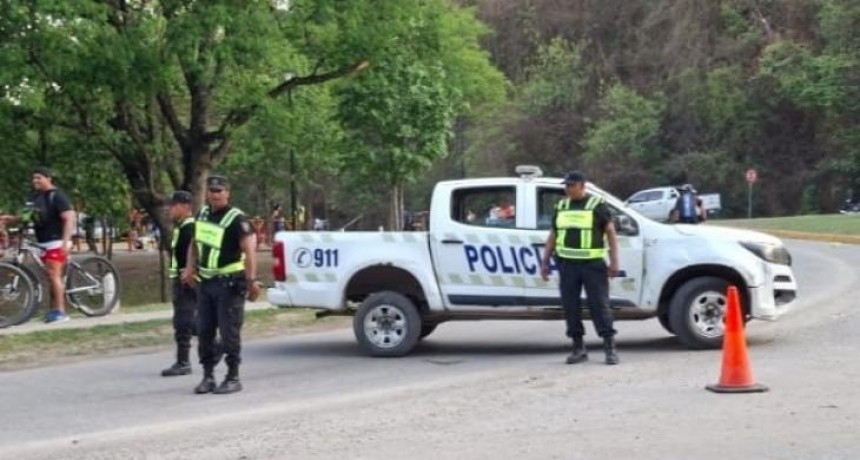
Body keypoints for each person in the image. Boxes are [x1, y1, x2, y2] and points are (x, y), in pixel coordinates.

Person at [182, 176, 261, 395]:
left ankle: (233, 376)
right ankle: (208, 376)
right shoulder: (203, 214)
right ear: (207, 193)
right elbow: (194, 244)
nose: (215, 194)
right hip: (205, 283)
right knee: (204, 330)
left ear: (228, 193)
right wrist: (189, 268)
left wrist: (252, 280)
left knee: (229, 332)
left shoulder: (238, 219)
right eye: (212, 190)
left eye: (220, 190)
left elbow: (249, 252)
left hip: (229, 284)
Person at [540, 170, 620, 365]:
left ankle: (610, 348)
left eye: (571, 185)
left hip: (592, 265)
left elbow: (610, 232)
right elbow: (554, 234)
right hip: (567, 265)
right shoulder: (562, 206)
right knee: (570, 307)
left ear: (582, 186)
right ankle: (578, 348)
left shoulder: (596, 205)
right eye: (566, 185)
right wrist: (545, 261)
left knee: (599, 306)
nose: (567, 189)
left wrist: (614, 261)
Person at [0, 167, 75, 323]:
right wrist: (11, 219)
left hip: (57, 240)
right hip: (43, 241)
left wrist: (66, 241)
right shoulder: (34, 196)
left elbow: (69, 217)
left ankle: (61, 312)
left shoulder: (57, 196)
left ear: (48, 178)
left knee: (53, 274)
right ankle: (53, 310)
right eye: (34, 178)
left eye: (39, 178)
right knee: (50, 276)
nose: (35, 181)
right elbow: (27, 215)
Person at [161, 191, 198, 377]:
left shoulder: (189, 228)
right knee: (187, 322)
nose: (170, 209)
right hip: (181, 280)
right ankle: (216, 343)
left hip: (186, 282)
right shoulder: (182, 227)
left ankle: (184, 362)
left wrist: (188, 274)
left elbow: (192, 256)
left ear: (185, 207)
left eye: (174, 206)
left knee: (184, 323)